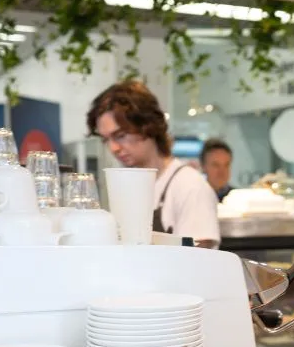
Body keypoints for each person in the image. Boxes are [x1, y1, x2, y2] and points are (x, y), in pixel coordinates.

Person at [87, 80, 220, 247]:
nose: (113, 148)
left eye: (120, 135)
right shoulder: (130, 189)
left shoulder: (190, 187)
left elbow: (199, 262)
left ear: (148, 126)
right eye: (106, 140)